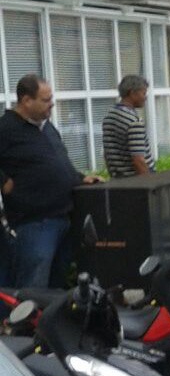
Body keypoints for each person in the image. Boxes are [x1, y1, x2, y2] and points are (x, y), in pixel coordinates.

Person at [0, 74, 101, 288]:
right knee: (34, 282)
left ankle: (51, 321)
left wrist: (80, 178)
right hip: (35, 222)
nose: (52, 104)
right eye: (45, 100)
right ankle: (25, 321)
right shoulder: (6, 127)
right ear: (26, 100)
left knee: (57, 280)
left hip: (63, 215)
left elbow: (58, 161)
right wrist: (3, 181)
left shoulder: (46, 127)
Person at [102, 75, 155, 178]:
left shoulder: (110, 116)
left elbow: (107, 153)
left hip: (119, 180)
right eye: (143, 93)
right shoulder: (134, 121)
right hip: (136, 182)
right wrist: (149, 183)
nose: (145, 97)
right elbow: (138, 160)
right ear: (132, 93)